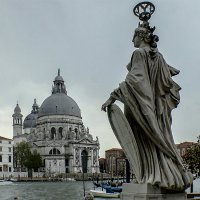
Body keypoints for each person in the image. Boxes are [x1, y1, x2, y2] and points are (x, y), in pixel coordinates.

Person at [102, 21, 193, 191]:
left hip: (143, 106)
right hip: (159, 110)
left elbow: (134, 80)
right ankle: (166, 175)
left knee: (146, 142)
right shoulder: (157, 56)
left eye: (134, 36)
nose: (132, 40)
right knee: (159, 140)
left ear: (141, 36)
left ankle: (151, 175)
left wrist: (112, 97)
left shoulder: (139, 54)